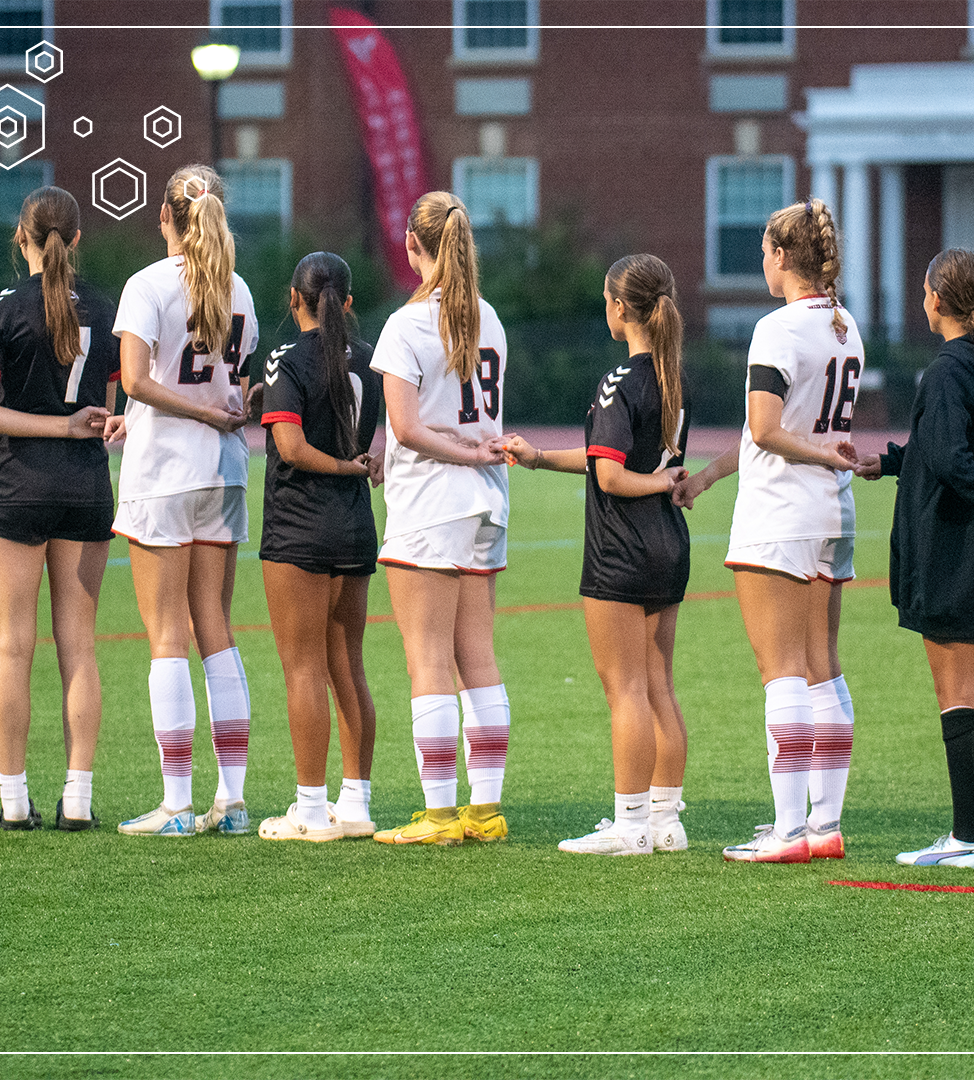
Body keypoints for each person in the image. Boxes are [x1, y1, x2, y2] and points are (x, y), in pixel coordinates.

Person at [674, 199, 862, 864]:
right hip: (831, 513)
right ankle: (824, 825)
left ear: (782, 256)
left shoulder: (777, 328)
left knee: (781, 672)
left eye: (764, 251)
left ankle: (788, 832)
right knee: (822, 669)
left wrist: (821, 454)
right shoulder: (844, 325)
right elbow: (776, 434)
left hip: (781, 515)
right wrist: (708, 476)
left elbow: (767, 430)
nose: (762, 261)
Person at [855, 249, 974, 870]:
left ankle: (965, 838)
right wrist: (890, 462)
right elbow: (950, 448)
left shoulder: (946, 372)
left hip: (956, 545)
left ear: (936, 297)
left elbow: (954, 463)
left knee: (956, 690)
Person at [505, 254, 693, 856]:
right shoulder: (672, 378)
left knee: (626, 689)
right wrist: (538, 458)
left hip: (622, 548)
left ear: (618, 306)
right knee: (659, 685)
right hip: (668, 545)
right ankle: (665, 820)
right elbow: (604, 459)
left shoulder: (621, 382)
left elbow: (611, 477)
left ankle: (629, 824)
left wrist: (656, 483)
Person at [0, 185, 123, 831]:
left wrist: (53, 426)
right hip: (85, 487)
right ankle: (77, 798)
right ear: (77, 238)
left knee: (12, 646)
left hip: (18, 485)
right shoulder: (106, 309)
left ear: (20, 236)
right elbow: (108, 411)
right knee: (79, 646)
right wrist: (71, 426)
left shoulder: (1, 309)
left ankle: (13, 799)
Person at [111, 164, 261, 838]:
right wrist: (205, 413)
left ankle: (176, 803)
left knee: (167, 634)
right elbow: (232, 388)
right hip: (223, 471)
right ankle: (232, 801)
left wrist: (183, 413)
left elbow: (136, 380)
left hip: (165, 471)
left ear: (165, 216)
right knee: (216, 629)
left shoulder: (147, 284)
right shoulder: (241, 287)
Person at [369, 191, 514, 847]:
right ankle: (485, 811)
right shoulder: (489, 316)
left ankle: (437, 815)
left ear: (412, 245)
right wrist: (473, 451)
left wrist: (459, 450)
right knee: (477, 657)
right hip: (487, 500)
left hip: (431, 502)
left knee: (427, 660)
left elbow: (405, 427)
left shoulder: (407, 325)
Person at [254, 253, 385, 843]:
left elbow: (292, 447)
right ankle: (355, 804)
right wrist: (355, 467)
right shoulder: (369, 359)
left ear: (294, 298)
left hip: (300, 526)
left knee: (303, 668)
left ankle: (309, 809)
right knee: (347, 665)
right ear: (348, 302)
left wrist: (343, 466)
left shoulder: (287, 356)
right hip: (354, 524)